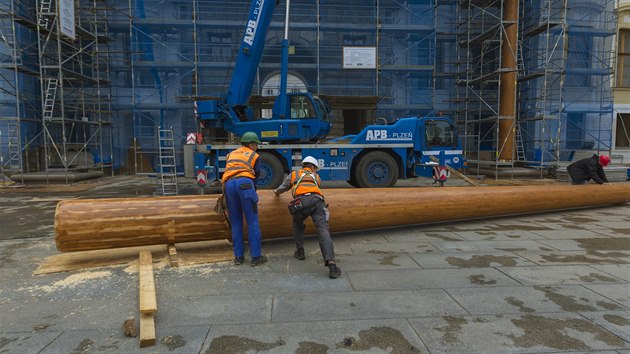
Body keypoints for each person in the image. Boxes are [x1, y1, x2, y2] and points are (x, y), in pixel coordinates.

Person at [273, 156, 341, 279]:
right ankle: (332, 265)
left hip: (301, 204)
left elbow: (283, 187)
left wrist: (276, 192)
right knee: (323, 231)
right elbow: (315, 188)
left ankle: (300, 252)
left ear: (303, 165)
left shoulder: (294, 174)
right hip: (317, 202)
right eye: (315, 168)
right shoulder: (316, 177)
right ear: (313, 167)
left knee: (297, 224)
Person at [222, 131, 267, 266]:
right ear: (251, 144)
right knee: (252, 221)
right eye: (256, 144)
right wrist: (253, 189)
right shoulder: (254, 155)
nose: (257, 147)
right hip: (245, 184)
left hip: (229, 185)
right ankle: (256, 257)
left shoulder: (231, 154)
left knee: (236, 222)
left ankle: (238, 257)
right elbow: (257, 174)